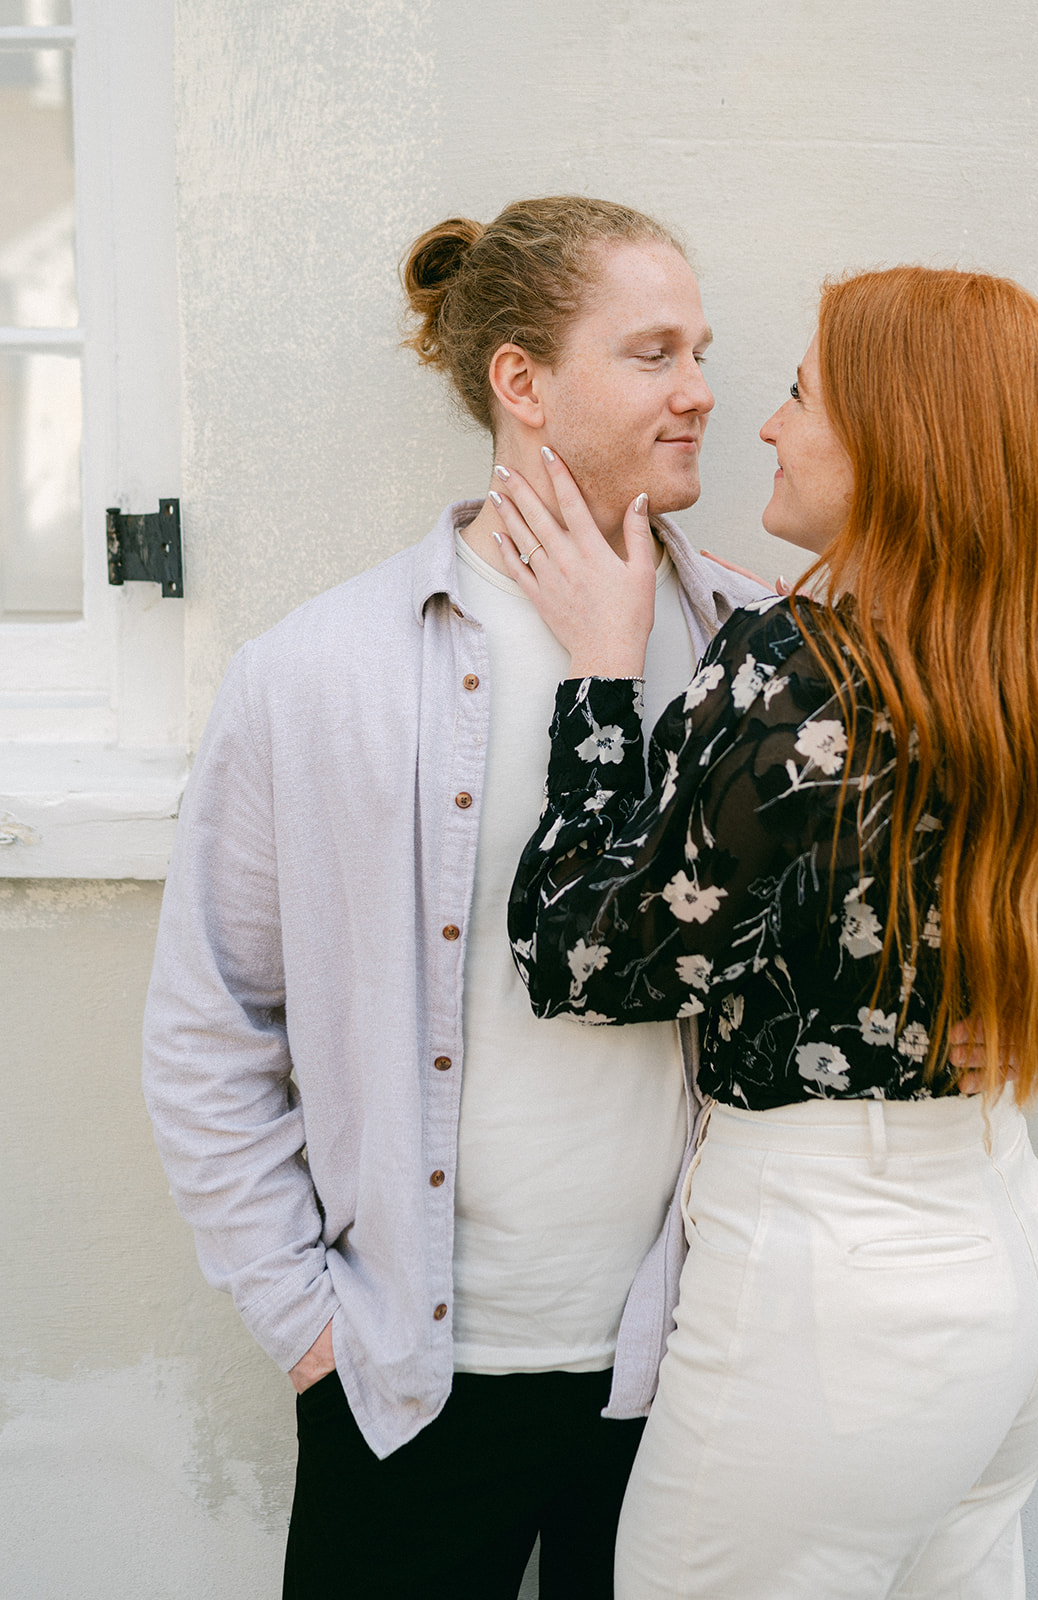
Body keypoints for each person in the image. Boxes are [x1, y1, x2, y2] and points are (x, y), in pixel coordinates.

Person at [140, 195, 769, 1600]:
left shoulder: (757, 655)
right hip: (407, 1376)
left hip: (684, 1368)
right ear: (522, 381)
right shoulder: (319, 672)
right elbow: (211, 1025)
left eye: (703, 350)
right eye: (655, 352)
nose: (702, 391)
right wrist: (308, 1322)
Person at [496, 265, 1038, 1598]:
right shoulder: (1016, 658)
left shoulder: (798, 664)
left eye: (798, 394)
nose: (767, 427)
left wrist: (602, 684)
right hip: (1004, 1254)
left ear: (901, 440)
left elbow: (584, 956)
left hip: (835, 1286)